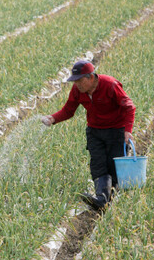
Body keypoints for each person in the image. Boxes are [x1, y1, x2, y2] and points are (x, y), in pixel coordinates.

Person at [41, 60, 135, 210]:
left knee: (114, 166)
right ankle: (101, 199)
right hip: (95, 131)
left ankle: (113, 200)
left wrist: (127, 130)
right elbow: (68, 110)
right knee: (97, 164)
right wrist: (52, 119)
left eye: (79, 81)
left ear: (91, 77)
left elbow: (129, 107)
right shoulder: (78, 90)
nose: (77, 85)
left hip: (116, 130)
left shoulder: (110, 85)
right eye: (75, 81)